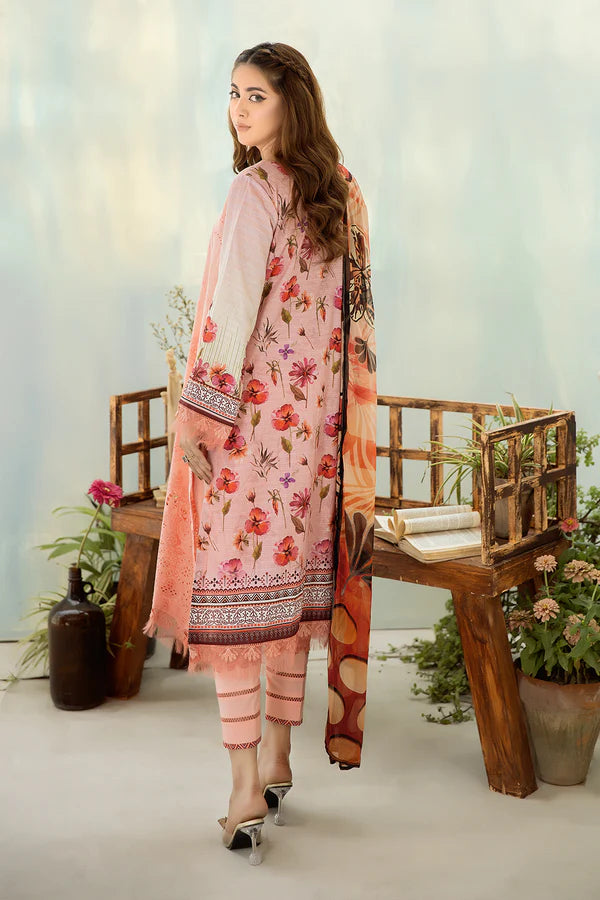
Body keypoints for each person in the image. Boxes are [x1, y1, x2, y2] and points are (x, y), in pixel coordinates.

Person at [143, 41, 377, 865]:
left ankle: (246, 789)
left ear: (292, 105)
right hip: (315, 445)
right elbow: (357, 328)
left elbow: (228, 317)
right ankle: (279, 761)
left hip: (250, 439)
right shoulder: (343, 193)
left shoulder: (253, 194)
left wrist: (199, 423)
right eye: (234, 96)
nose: (240, 111)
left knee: (239, 611)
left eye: (257, 97)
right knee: (289, 602)